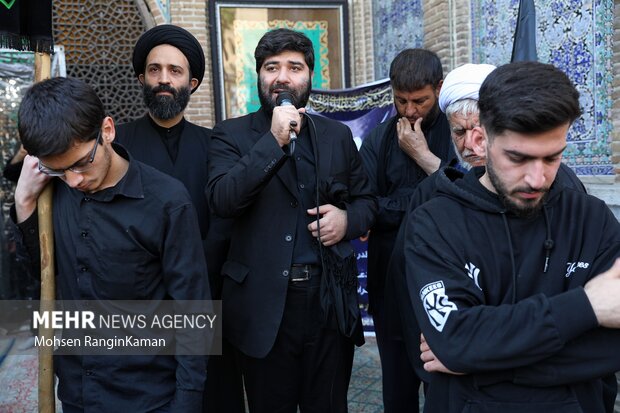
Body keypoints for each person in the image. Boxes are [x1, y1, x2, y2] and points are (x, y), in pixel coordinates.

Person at [405, 61, 620, 412]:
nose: (537, 178)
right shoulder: (433, 224)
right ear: (481, 138)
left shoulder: (591, 219)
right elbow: (455, 338)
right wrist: (587, 307)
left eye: (552, 158)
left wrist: (478, 360)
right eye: (518, 158)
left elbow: (611, 348)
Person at [11, 77, 209, 412]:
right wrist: (24, 203)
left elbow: (193, 311)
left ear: (107, 131)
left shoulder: (167, 201)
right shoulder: (51, 192)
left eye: (81, 164)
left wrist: (186, 403)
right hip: (77, 394)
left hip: (148, 398)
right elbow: (41, 274)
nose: (73, 180)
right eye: (59, 171)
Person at [207, 28, 376, 412]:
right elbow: (222, 200)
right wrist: (274, 141)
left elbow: (368, 200)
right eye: (272, 67)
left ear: (310, 77)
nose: (282, 76)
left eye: (294, 67)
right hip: (262, 306)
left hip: (328, 303)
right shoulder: (230, 135)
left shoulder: (336, 135)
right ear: (259, 76)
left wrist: (347, 221)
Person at [114, 25, 242, 412]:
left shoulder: (216, 143)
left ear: (193, 81)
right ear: (141, 78)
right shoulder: (117, 144)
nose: (163, 80)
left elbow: (224, 215)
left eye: (174, 71)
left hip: (205, 299)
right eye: (154, 70)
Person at [358, 48, 454, 412]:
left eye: (420, 101)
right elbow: (365, 204)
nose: (410, 111)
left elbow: (465, 197)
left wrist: (423, 157)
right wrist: (423, 199)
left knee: (442, 387)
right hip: (389, 282)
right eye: (401, 101)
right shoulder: (379, 138)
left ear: (439, 90)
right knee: (397, 388)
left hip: (445, 281)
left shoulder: (458, 133)